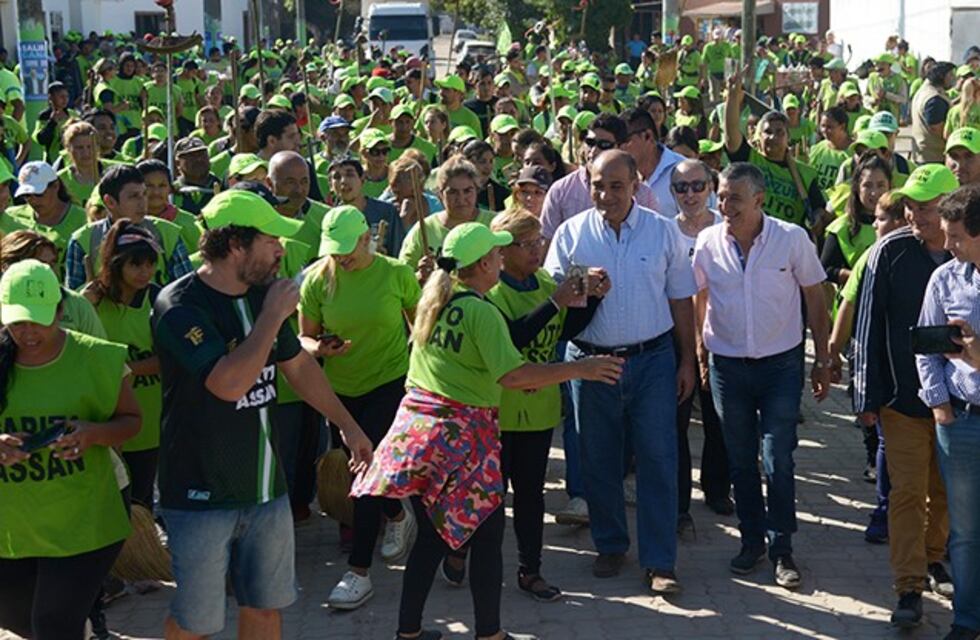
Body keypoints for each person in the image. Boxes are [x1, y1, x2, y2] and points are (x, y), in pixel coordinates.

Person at [352, 221, 622, 640]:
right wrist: (580, 368)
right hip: (464, 443)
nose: (501, 258)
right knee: (488, 536)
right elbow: (513, 375)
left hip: (423, 436)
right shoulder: (482, 311)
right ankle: (489, 634)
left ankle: (409, 633)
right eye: (496, 254)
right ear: (481, 264)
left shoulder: (435, 300)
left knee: (432, 539)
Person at [151, 189, 373, 639]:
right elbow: (227, 384)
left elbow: (299, 367)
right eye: (272, 239)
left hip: (267, 492)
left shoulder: (261, 295)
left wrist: (349, 427)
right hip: (200, 496)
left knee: (266, 609)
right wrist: (271, 317)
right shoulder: (178, 305)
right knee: (197, 622)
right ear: (235, 245)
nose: (282, 250)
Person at [545, 150, 697, 593]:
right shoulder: (571, 234)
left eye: (616, 185)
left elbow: (680, 300)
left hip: (652, 361)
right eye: (597, 184)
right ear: (586, 183)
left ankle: (660, 560)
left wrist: (687, 360)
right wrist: (579, 287)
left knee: (658, 458)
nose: (606, 194)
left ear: (636, 185)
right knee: (598, 457)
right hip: (591, 363)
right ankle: (610, 544)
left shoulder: (661, 232)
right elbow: (554, 298)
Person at [693, 162, 831, 590]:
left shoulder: (790, 239)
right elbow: (698, 294)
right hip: (728, 367)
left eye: (734, 197)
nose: (724, 205)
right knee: (740, 459)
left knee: (779, 458)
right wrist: (699, 348)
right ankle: (751, 540)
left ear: (759, 199)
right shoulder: (707, 241)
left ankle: (782, 546)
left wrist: (823, 359)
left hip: (780, 366)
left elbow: (815, 296)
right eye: (720, 196)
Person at [0, 259, 140, 640]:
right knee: (20, 621)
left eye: (38, 319)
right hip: (13, 524)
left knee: (53, 626)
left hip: (86, 520)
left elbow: (131, 422)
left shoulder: (100, 357)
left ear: (62, 310)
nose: (27, 332)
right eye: (16, 321)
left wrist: (92, 434)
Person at [298, 206, 421, 610]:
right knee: (367, 472)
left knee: (365, 473)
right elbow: (304, 339)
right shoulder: (317, 280)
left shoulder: (395, 274)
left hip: (388, 383)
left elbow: (421, 326)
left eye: (346, 249)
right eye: (333, 251)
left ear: (366, 238)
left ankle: (359, 572)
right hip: (340, 392)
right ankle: (398, 518)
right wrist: (322, 348)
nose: (340, 257)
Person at [852, 164, 958, 628]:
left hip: (959, 403)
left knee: (946, 491)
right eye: (911, 206)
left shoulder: (968, 251)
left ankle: (935, 558)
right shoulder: (890, 252)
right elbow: (869, 324)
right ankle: (909, 586)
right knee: (907, 492)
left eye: (927, 208)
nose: (915, 216)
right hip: (902, 399)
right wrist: (866, 396)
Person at [914, 184, 980, 640]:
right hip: (960, 422)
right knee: (965, 534)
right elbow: (925, 346)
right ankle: (966, 620)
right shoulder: (945, 279)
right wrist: (938, 403)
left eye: (955, 236)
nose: (948, 245)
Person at [669, 160, 732, 525]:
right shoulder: (663, 231)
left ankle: (717, 487)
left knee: (717, 419)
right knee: (674, 423)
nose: (690, 194)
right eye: (681, 187)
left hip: (720, 337)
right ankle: (678, 501)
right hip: (674, 339)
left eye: (697, 185)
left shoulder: (727, 228)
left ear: (710, 187)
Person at [82, 221, 162, 510]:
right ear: (116, 265)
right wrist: (83, 305)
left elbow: (169, 360)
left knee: (141, 501)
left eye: (150, 264)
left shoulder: (158, 300)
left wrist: (122, 368)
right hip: (104, 420)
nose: (145, 272)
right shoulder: (89, 302)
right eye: (136, 265)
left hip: (149, 420)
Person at [723, 68, 828, 232]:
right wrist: (733, 96)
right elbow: (731, 135)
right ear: (759, 136)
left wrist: (818, 219)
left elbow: (819, 208)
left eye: (779, 132)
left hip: (788, 243)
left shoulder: (805, 174)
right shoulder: (749, 161)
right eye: (768, 132)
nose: (773, 137)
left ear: (788, 137)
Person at [64, 164, 192, 291]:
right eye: (134, 196)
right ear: (110, 202)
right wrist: (86, 297)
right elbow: (71, 305)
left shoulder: (168, 233)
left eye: (144, 194)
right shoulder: (82, 241)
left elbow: (187, 293)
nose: (143, 202)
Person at [540, 114, 659, 240]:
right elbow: (546, 243)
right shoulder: (561, 191)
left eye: (604, 145)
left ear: (623, 148)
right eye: (590, 143)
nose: (593, 151)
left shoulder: (644, 195)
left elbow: (655, 241)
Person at [399, 155, 495, 275]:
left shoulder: (494, 223)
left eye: (467, 191)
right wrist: (420, 276)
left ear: (477, 190)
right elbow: (402, 275)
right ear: (440, 195)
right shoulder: (423, 229)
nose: (461, 199)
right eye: (453, 192)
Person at [6, 161, 87, 277]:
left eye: (38, 194)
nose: (33, 200)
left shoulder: (84, 219)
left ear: (55, 186)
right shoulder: (10, 217)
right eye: (27, 195)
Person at [821, 155, 890, 286]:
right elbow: (825, 270)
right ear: (857, 188)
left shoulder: (901, 224)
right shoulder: (841, 228)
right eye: (867, 186)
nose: (874, 193)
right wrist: (861, 277)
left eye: (881, 185)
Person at [327, 155, 405, 256]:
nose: (344, 181)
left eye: (350, 175)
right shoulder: (330, 219)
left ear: (362, 179)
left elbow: (399, 252)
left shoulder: (386, 211)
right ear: (330, 185)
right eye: (337, 177)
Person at [622, 108, 686, 217]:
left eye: (625, 140)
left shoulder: (685, 172)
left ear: (648, 136)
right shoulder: (623, 175)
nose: (620, 147)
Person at [911, 62, 956, 163]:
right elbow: (937, 127)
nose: (953, 78)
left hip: (922, 153)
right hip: (934, 156)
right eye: (950, 75)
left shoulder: (923, 92)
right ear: (941, 76)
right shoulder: (934, 98)